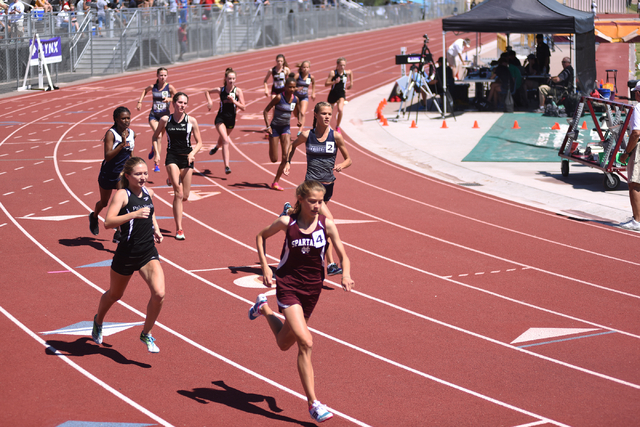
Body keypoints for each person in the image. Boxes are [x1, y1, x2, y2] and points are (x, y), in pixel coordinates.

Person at [251, 180, 354, 423]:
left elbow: (344, 255)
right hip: (288, 286)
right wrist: (265, 266)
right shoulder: (288, 223)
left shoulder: (326, 226)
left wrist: (346, 274)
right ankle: (313, 404)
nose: (318, 206)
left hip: (312, 290)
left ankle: (263, 308)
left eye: (321, 201)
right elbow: (260, 236)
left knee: (284, 343)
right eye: (313, 201)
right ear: (300, 199)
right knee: (306, 342)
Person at [91, 156, 165, 353]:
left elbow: (150, 211)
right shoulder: (122, 195)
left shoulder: (148, 192)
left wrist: (155, 228)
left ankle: (146, 333)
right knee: (115, 294)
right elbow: (107, 222)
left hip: (147, 251)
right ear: (128, 176)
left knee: (159, 294)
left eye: (145, 173)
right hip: (126, 253)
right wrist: (133, 214)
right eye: (138, 174)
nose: (143, 177)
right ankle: (98, 321)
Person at [283, 101, 352, 276]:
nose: (327, 117)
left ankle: (290, 211)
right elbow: (292, 146)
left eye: (330, 114)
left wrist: (341, 165)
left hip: (328, 186)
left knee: (320, 224)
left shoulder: (335, 137)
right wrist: (288, 163)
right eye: (324, 114)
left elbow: (349, 159)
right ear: (316, 115)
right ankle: (330, 264)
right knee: (329, 221)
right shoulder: (307, 135)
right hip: (312, 187)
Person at [152, 92, 203, 240]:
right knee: (178, 193)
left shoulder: (191, 121)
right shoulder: (165, 120)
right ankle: (179, 229)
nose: (182, 106)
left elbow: (200, 142)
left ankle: (171, 180)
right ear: (173, 103)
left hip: (187, 158)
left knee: (185, 196)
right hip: (172, 157)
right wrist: (157, 153)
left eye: (185, 103)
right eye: (180, 102)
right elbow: (155, 136)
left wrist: (193, 153)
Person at [89, 107, 136, 243]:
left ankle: (118, 232)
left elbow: (131, 153)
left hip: (122, 174)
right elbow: (107, 156)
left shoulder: (132, 133)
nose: (126, 121)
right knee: (104, 202)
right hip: (108, 173)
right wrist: (121, 144)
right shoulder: (111, 134)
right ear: (116, 119)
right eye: (123, 118)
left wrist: (134, 167)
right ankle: (94, 216)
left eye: (128, 118)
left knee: (122, 202)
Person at [205, 67, 246, 175]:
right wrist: (210, 101)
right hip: (220, 118)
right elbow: (207, 92)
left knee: (222, 141)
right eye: (229, 78)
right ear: (226, 79)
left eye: (233, 78)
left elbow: (243, 107)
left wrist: (234, 102)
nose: (231, 81)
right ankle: (227, 166)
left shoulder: (238, 91)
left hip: (231, 120)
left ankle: (216, 147)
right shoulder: (221, 90)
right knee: (226, 140)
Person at [263, 74, 300, 191]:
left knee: (285, 157)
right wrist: (268, 126)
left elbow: (296, 112)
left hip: (285, 128)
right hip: (274, 128)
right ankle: (271, 141)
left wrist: (299, 120)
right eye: (290, 87)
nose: (292, 89)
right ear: (285, 87)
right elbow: (265, 110)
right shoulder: (279, 97)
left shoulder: (295, 99)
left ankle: (275, 182)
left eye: (294, 87)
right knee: (274, 159)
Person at [136, 67, 176, 173]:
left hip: (165, 117)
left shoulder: (169, 87)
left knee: (159, 139)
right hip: (154, 116)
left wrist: (170, 99)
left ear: (167, 76)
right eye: (161, 75)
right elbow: (145, 90)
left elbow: (178, 98)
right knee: (157, 135)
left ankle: (154, 149)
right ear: (157, 76)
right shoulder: (153, 87)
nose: (163, 77)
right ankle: (156, 163)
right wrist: (140, 101)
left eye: (165, 75)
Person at [619, 82, 640, 231]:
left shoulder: (637, 108)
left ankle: (637, 220)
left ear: (638, 93)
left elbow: (636, 133)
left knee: (635, 183)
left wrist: (626, 153)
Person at [324, 57, 353, 133]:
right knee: (329, 111)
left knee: (340, 109)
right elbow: (326, 83)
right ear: (337, 65)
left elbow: (351, 73)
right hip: (333, 93)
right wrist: (334, 82)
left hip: (341, 93)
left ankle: (337, 126)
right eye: (341, 65)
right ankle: (328, 126)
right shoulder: (333, 73)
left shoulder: (346, 72)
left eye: (344, 65)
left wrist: (351, 83)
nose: (342, 67)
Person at [294, 60, 315, 135]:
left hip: (304, 97)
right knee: (296, 113)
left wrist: (313, 93)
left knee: (302, 113)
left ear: (309, 68)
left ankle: (300, 131)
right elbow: (290, 84)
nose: (305, 69)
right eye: (304, 67)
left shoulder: (311, 77)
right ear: (301, 68)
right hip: (295, 97)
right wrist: (296, 88)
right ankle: (299, 120)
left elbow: (313, 84)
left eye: (307, 67)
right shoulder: (297, 75)